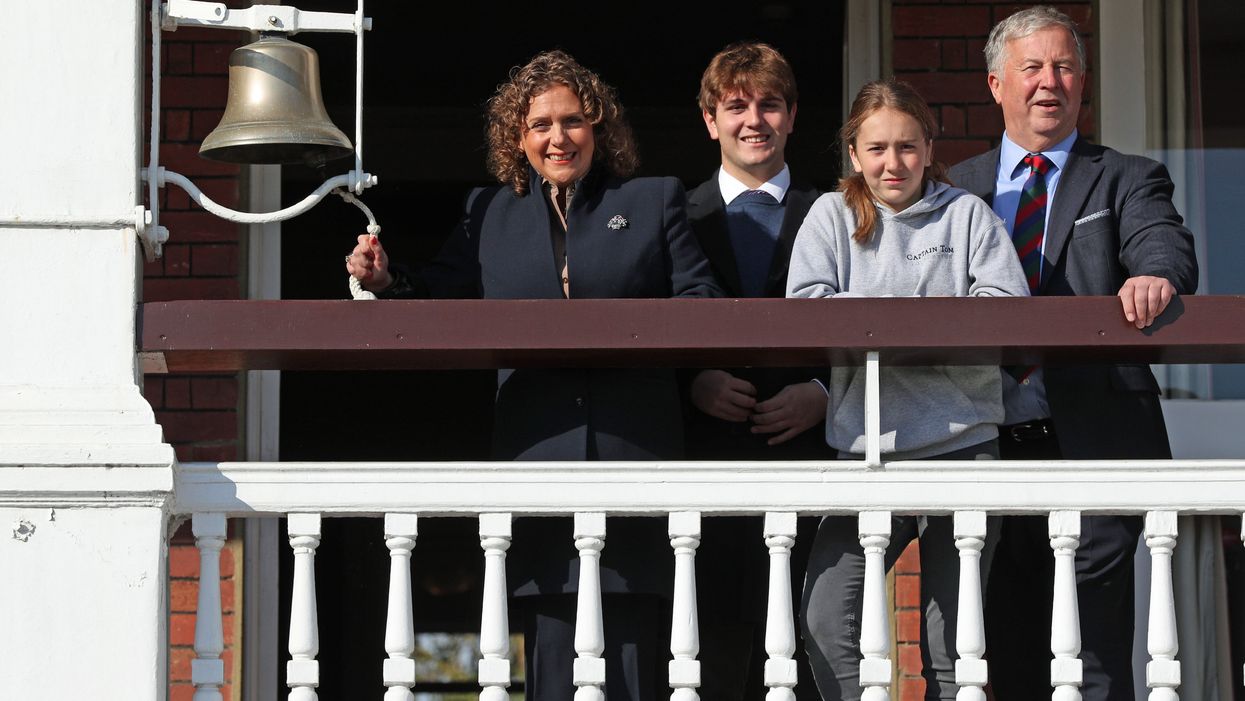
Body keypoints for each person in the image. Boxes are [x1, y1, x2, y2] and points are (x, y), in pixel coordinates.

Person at [346, 50, 721, 701]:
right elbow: (436, 294)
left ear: (598, 129)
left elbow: (703, 305)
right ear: (515, 138)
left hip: (633, 456)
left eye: (573, 121)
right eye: (540, 124)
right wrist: (382, 281)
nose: (557, 137)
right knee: (551, 660)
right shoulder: (487, 214)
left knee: (632, 662)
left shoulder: (651, 199)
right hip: (536, 456)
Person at [946, 7, 1198, 700]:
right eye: (1030, 68)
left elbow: (1162, 243)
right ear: (995, 83)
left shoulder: (1123, 176)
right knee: (996, 650)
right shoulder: (952, 189)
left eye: (1062, 67)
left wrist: (1153, 274)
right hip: (979, 443)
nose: (1047, 83)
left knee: (1092, 656)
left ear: (1083, 83)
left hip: (1093, 438)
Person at [789, 79, 1029, 700]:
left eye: (906, 147)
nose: (891, 163)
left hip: (965, 444)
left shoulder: (967, 214)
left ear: (929, 147)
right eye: (876, 149)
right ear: (853, 152)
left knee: (950, 640)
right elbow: (808, 308)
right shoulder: (831, 215)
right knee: (824, 620)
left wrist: (882, 320)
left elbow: (1004, 308)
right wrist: (923, 316)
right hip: (867, 447)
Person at [683, 41, 827, 701]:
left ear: (791, 116)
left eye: (769, 105)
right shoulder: (674, 218)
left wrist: (824, 393)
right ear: (710, 119)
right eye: (735, 106)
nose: (753, 120)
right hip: (699, 469)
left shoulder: (835, 213)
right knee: (704, 651)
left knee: (807, 643)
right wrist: (692, 382)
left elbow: (866, 322)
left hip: (807, 462)